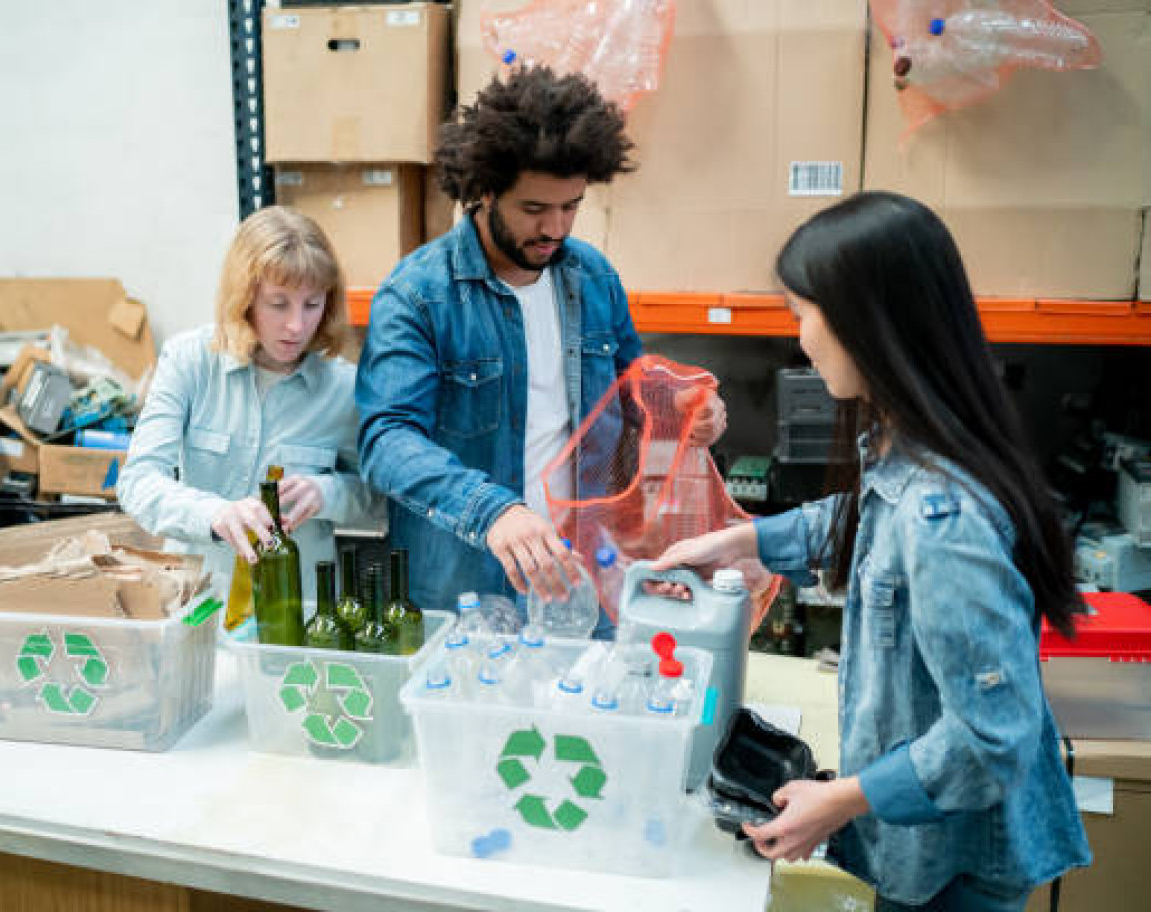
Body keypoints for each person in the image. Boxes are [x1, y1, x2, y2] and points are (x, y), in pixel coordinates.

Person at [653, 192, 1090, 910]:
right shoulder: (910, 449)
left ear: (868, 322)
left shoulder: (944, 516)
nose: (802, 342)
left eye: (803, 316)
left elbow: (991, 737)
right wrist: (744, 540)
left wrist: (843, 800)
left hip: (956, 871)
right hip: (926, 853)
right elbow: (865, 524)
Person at [356, 65, 725, 628]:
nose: (555, 227)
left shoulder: (593, 278)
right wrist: (494, 511)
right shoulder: (417, 296)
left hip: (584, 577)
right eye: (533, 210)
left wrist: (683, 409)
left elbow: (634, 395)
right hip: (467, 590)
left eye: (571, 206)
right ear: (484, 192)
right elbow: (386, 440)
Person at [119, 206, 377, 603]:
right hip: (197, 605)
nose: (296, 325)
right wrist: (214, 514)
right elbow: (138, 483)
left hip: (299, 610)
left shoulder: (344, 388)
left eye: (312, 304)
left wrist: (329, 493)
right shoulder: (190, 361)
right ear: (244, 299)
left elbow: (383, 498)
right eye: (278, 303)